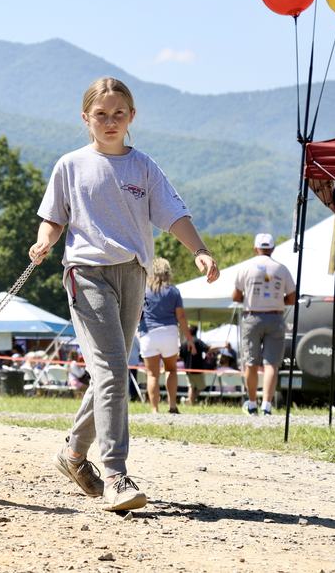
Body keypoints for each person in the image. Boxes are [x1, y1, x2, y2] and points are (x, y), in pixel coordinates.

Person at [30, 76, 219, 512]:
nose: (110, 121)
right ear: (86, 118)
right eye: (101, 114)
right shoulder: (70, 165)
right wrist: (44, 241)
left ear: (132, 116)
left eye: (119, 113)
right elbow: (53, 218)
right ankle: (115, 475)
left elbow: (173, 214)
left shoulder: (143, 167)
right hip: (86, 272)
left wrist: (200, 251)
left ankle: (73, 455)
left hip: (134, 273)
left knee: (110, 373)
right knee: (113, 370)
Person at [233, 233, 296, 416]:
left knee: (251, 363)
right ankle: (267, 406)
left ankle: (252, 404)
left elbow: (236, 296)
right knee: (271, 364)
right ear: (273, 249)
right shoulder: (281, 269)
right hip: (275, 317)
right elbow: (292, 297)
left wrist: (250, 298)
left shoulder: (246, 267)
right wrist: (277, 300)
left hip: (252, 317)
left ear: (256, 248)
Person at [137, 257, 195, 414]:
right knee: (171, 370)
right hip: (169, 333)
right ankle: (172, 406)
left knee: (152, 374)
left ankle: (155, 409)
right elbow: (181, 317)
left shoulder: (144, 291)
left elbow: (137, 313)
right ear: (167, 272)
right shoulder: (173, 291)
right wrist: (189, 339)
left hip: (148, 333)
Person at [180, 326, 210, 405]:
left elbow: (180, 356)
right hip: (198, 368)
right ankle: (191, 401)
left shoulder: (184, 343)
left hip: (188, 369)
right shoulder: (198, 341)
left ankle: (190, 401)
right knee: (201, 387)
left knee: (191, 386)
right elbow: (207, 349)